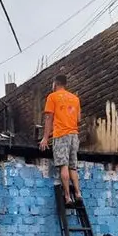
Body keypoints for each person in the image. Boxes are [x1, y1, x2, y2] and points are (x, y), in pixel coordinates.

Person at [39, 74, 82, 204]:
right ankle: (78, 193)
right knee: (72, 167)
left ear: (55, 83)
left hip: (61, 135)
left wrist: (45, 138)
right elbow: (78, 119)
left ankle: (68, 197)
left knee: (64, 166)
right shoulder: (75, 98)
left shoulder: (52, 97)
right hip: (74, 135)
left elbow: (48, 118)